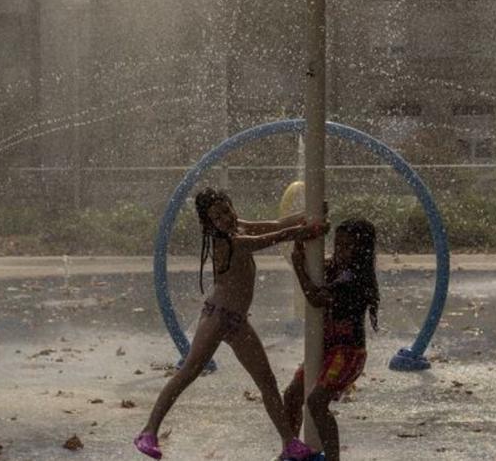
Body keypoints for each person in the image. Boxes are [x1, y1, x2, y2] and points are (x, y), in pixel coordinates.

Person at [134, 188, 326, 460]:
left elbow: (276, 225)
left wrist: (309, 214)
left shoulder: (238, 227)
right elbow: (274, 237)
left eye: (226, 210)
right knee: (189, 371)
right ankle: (148, 431)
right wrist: (300, 231)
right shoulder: (227, 242)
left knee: (267, 381)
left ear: (232, 207)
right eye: (217, 216)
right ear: (208, 223)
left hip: (237, 322)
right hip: (217, 318)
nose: (224, 218)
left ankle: (288, 443)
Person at [281, 218, 380, 461]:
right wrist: (301, 238)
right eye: (338, 245)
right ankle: (292, 451)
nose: (341, 251)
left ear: (363, 250)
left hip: (347, 354)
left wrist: (298, 268)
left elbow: (315, 298)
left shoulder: (355, 279)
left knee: (316, 402)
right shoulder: (334, 268)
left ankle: (333, 458)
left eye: (349, 247)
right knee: (292, 395)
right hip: (323, 350)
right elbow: (308, 262)